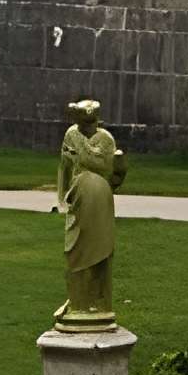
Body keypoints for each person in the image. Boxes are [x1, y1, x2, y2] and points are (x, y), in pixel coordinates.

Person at [54, 96, 126, 328]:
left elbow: (103, 165)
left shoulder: (105, 139)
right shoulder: (70, 134)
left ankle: (98, 302)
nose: (84, 126)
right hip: (78, 196)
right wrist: (62, 196)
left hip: (99, 197)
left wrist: (80, 150)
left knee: (100, 249)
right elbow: (64, 165)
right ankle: (78, 301)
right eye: (81, 122)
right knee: (75, 250)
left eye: (88, 121)